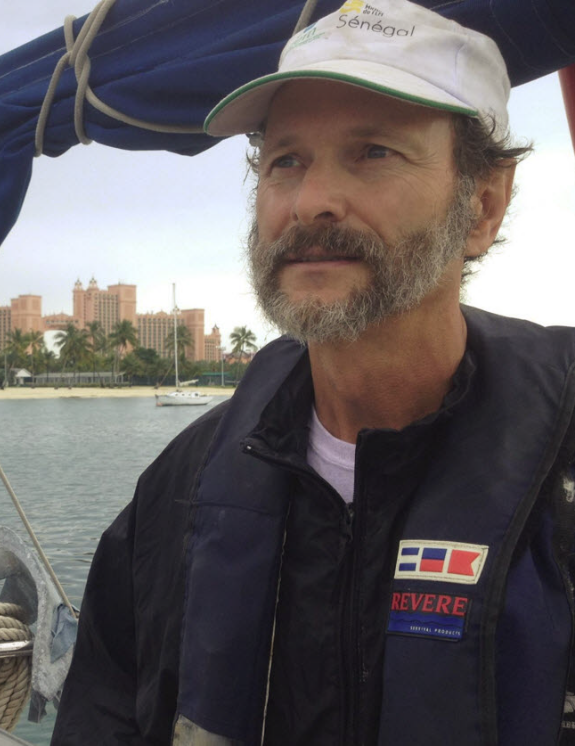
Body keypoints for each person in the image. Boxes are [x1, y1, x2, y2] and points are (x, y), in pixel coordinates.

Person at [52, 1, 575, 744]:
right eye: (285, 161)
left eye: (374, 152)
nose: (310, 203)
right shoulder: (180, 491)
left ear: (483, 205)